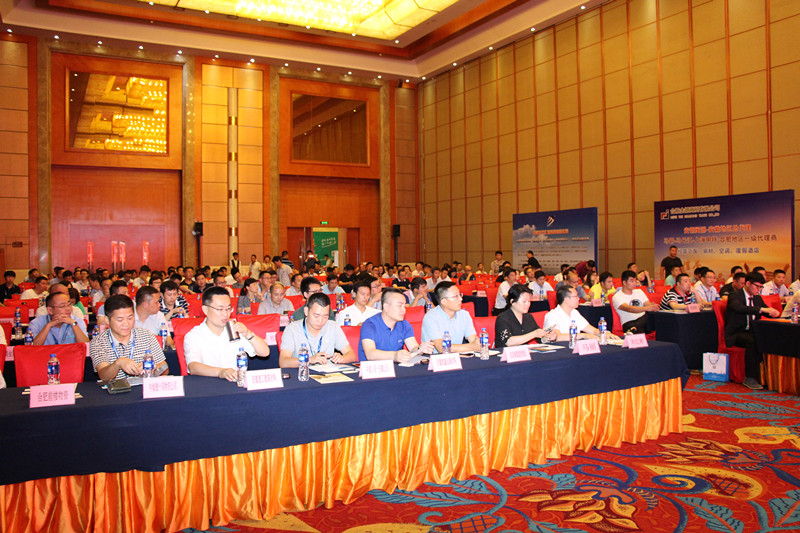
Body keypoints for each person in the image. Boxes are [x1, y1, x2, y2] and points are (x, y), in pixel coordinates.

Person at [183, 287, 271, 381]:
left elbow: (265, 353)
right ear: (205, 310)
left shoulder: (234, 330)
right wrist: (220, 372)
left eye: (228, 308)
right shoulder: (194, 335)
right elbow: (193, 367)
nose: (225, 314)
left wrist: (248, 333)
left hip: (236, 383)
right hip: (208, 384)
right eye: (220, 309)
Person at [89, 295, 167, 381]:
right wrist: (117, 364)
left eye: (130, 318)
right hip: (115, 388)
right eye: (120, 320)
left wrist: (152, 367)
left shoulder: (147, 336)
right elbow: (103, 376)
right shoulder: (98, 342)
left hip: (142, 386)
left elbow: (164, 368)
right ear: (107, 320)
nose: (126, 324)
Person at [725, 272, 780, 389]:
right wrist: (761, 310)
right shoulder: (735, 295)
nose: (759, 290)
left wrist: (773, 313)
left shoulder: (757, 298)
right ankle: (749, 377)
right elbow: (740, 308)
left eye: (761, 287)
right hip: (737, 332)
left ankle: (769, 376)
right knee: (753, 340)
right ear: (748, 283)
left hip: (753, 331)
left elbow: (765, 310)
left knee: (769, 337)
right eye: (757, 286)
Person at [279, 293, 355, 366]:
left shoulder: (333, 326)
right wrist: (309, 360)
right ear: (306, 311)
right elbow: (283, 362)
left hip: (328, 372)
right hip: (304, 372)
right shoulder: (292, 329)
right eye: (316, 316)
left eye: (325, 316)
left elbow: (352, 355)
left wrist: (342, 358)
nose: (320, 320)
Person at [359, 288, 434, 362]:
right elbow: (370, 354)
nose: (404, 310)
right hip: (374, 367)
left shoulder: (404, 324)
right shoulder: (369, 325)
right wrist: (394, 355)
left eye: (404, 306)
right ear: (386, 307)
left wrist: (420, 349)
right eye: (399, 306)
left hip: (395, 366)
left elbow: (413, 348)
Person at [544, 285, 618, 342]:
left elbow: (591, 330)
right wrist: (584, 336)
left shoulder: (574, 312)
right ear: (566, 299)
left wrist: (604, 333)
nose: (578, 298)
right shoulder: (552, 315)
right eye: (576, 296)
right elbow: (558, 337)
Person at [421, 281, 479, 354]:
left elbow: (475, 342)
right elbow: (442, 348)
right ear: (444, 301)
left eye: (460, 295)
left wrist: (475, 345)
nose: (461, 299)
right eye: (456, 296)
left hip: (458, 356)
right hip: (435, 358)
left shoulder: (464, 314)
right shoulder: (430, 317)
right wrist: (471, 347)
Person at [495, 284, 557, 348]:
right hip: (505, 353)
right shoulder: (503, 318)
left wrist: (549, 337)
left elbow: (539, 338)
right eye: (524, 301)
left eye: (529, 301)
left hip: (524, 352)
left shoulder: (528, 317)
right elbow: (508, 342)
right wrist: (534, 334)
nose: (528, 304)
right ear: (512, 301)